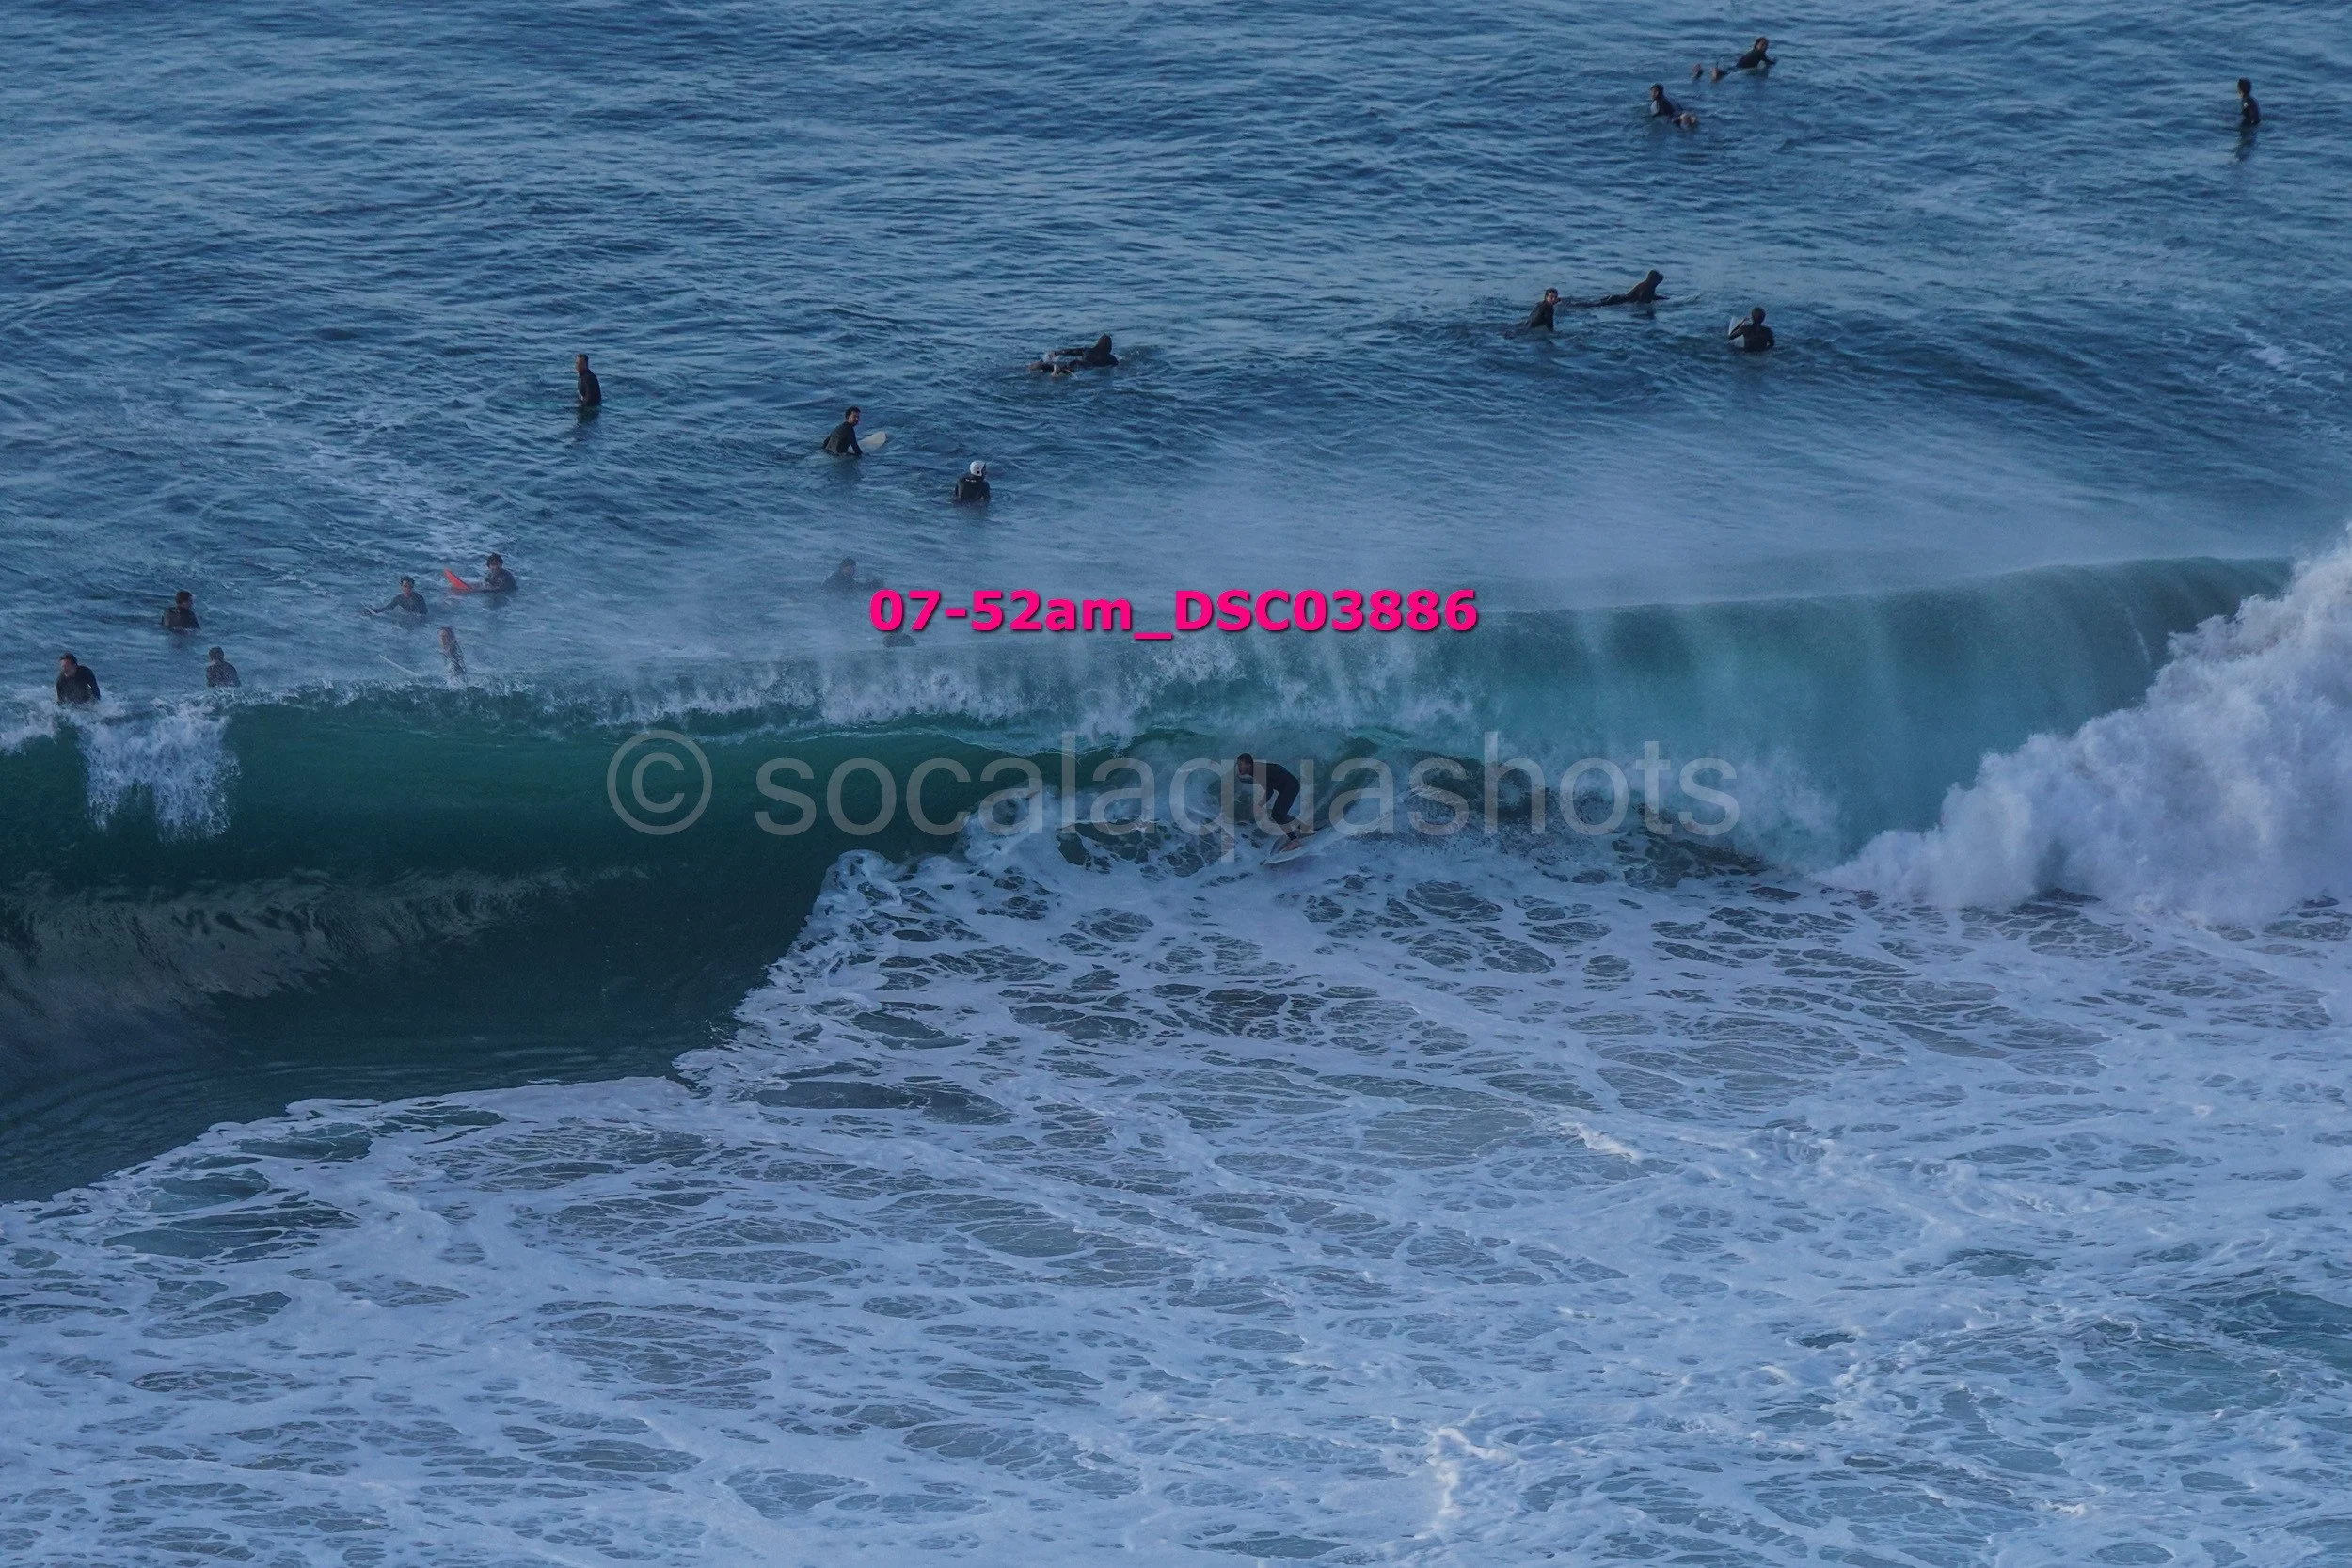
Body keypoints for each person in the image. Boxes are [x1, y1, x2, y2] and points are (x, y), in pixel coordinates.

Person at [1235, 753, 1304, 839]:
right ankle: (1305, 829)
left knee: (1277, 815)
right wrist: (1244, 780)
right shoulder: (1254, 769)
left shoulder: (1258, 771)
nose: (1238, 767)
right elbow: (1261, 780)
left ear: (1248, 764)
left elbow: (1269, 792)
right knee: (1280, 814)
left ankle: (1294, 840)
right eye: (1237, 764)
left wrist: (1259, 805)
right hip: (1289, 785)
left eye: (1240, 764)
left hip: (1290, 787)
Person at [1696, 37, 1772, 82]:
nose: (1765, 47)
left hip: (1738, 65)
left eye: (1766, 45)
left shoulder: (1753, 52)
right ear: (1756, 45)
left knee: (1727, 71)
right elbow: (1769, 62)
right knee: (1726, 74)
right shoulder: (1759, 53)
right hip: (1742, 67)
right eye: (1762, 45)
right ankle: (1715, 72)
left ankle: (1702, 71)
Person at [1032, 334, 1118, 373]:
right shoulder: (1110, 358)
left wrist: (1056, 352)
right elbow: (1118, 367)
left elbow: (1071, 351)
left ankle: (1042, 365)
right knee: (1065, 371)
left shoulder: (1086, 350)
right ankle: (1056, 369)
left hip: (1076, 362)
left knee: (1063, 368)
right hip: (1085, 367)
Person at [1576, 270, 1664, 308]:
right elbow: (1643, 299)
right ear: (1653, 280)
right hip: (1619, 300)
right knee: (1592, 306)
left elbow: (1650, 296)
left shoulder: (1644, 285)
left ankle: (1573, 304)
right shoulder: (1647, 287)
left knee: (1592, 304)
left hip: (1617, 297)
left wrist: (1661, 298)